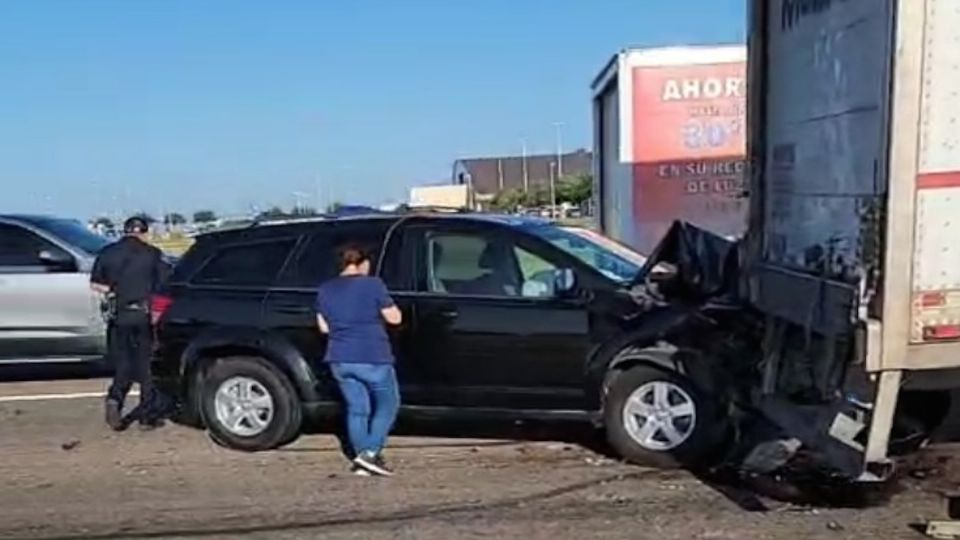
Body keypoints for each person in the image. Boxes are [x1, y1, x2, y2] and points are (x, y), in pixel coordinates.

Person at [314, 244, 403, 476]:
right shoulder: (372, 285)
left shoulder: (325, 289)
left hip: (339, 359)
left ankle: (362, 458)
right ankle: (370, 453)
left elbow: (323, 328)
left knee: (357, 409)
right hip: (372, 355)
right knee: (388, 405)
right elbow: (394, 318)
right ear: (362, 263)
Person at [90, 216, 169, 431]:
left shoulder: (107, 252)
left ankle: (115, 399)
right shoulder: (152, 254)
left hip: (120, 315)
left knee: (124, 362)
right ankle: (146, 416)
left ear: (125, 231)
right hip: (144, 315)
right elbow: (163, 288)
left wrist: (115, 291)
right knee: (146, 366)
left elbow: (97, 285)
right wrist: (157, 315)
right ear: (144, 232)